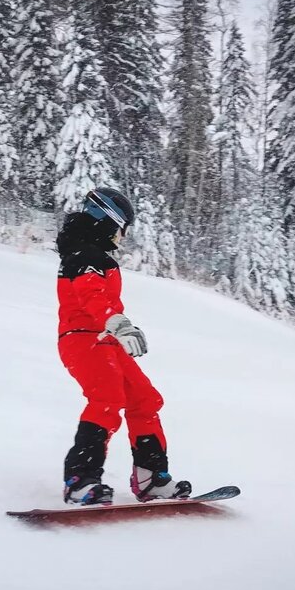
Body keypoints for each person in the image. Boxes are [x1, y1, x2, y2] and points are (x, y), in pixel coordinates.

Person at [55, 187, 192, 505]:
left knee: (145, 400)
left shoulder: (95, 254)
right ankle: (80, 480)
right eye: (121, 230)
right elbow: (91, 297)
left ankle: (152, 479)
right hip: (82, 338)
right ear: (108, 222)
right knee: (106, 398)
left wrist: (118, 328)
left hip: (106, 339)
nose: (121, 237)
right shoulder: (83, 254)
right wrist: (118, 324)